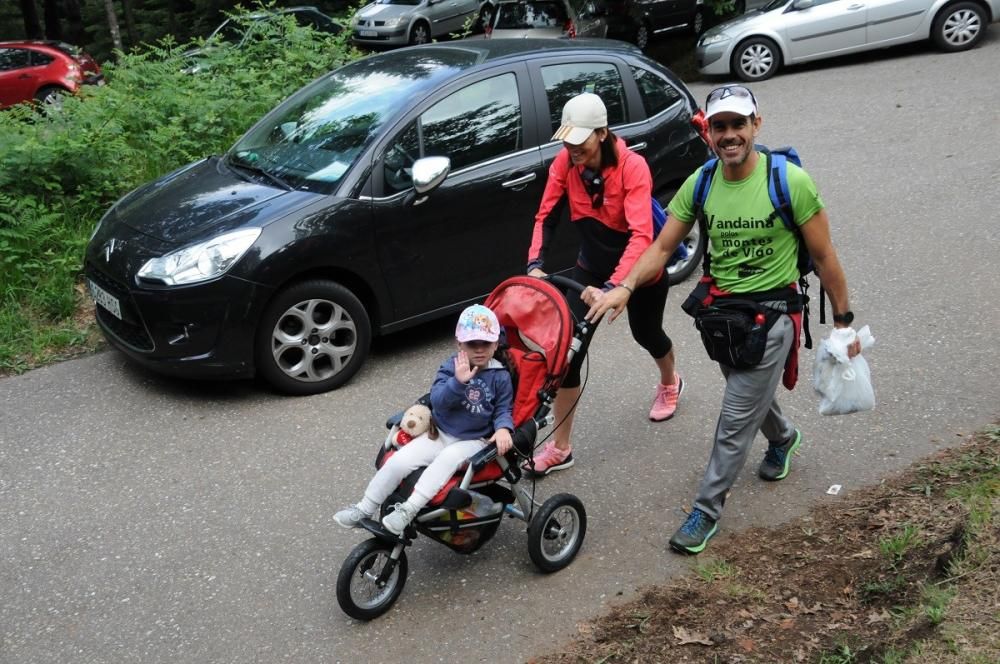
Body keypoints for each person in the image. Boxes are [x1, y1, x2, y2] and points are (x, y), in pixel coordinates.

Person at [588, 84, 860, 554]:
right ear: (709, 132)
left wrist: (843, 321)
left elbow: (824, 255)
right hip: (723, 320)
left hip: (773, 317)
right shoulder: (703, 181)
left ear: (757, 124)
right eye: (720, 126)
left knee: (734, 417)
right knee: (747, 391)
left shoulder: (789, 181)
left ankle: (706, 509)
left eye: (738, 124)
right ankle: (784, 438)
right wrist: (625, 287)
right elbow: (662, 246)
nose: (729, 135)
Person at [523, 92, 682, 476]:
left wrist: (617, 286)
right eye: (567, 139)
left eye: (579, 140)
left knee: (647, 333)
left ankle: (670, 381)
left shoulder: (632, 167)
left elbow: (642, 236)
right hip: (590, 269)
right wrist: (535, 263)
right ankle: (561, 448)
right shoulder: (566, 162)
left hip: (637, 273)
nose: (571, 147)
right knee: (568, 352)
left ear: (602, 134)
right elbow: (546, 215)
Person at [334, 304, 515, 535]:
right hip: (439, 432)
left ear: (496, 343)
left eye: (486, 344)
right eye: (472, 344)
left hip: (474, 439)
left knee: (447, 459)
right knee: (399, 461)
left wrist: (502, 429)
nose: (479, 350)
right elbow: (438, 401)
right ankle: (365, 507)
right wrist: (458, 383)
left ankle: (409, 509)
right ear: (459, 343)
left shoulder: (499, 375)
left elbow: (503, 409)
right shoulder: (451, 367)